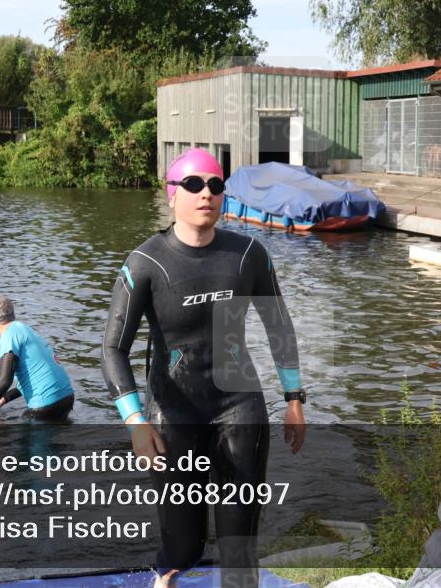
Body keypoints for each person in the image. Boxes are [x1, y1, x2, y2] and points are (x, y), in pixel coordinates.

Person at [101, 149, 306, 588]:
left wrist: (294, 400)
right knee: (184, 547)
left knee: (239, 543)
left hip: (239, 406)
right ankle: (166, 575)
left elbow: (280, 328)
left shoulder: (249, 254)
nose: (206, 193)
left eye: (215, 185)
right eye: (194, 185)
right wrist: (135, 421)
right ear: (172, 194)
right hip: (173, 416)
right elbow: (113, 349)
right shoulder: (145, 263)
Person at [0, 295, 74, 420]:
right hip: (67, 398)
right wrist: (3, 399)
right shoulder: (25, 329)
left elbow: (4, 381)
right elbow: (32, 378)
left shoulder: (9, 336)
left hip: (46, 404)